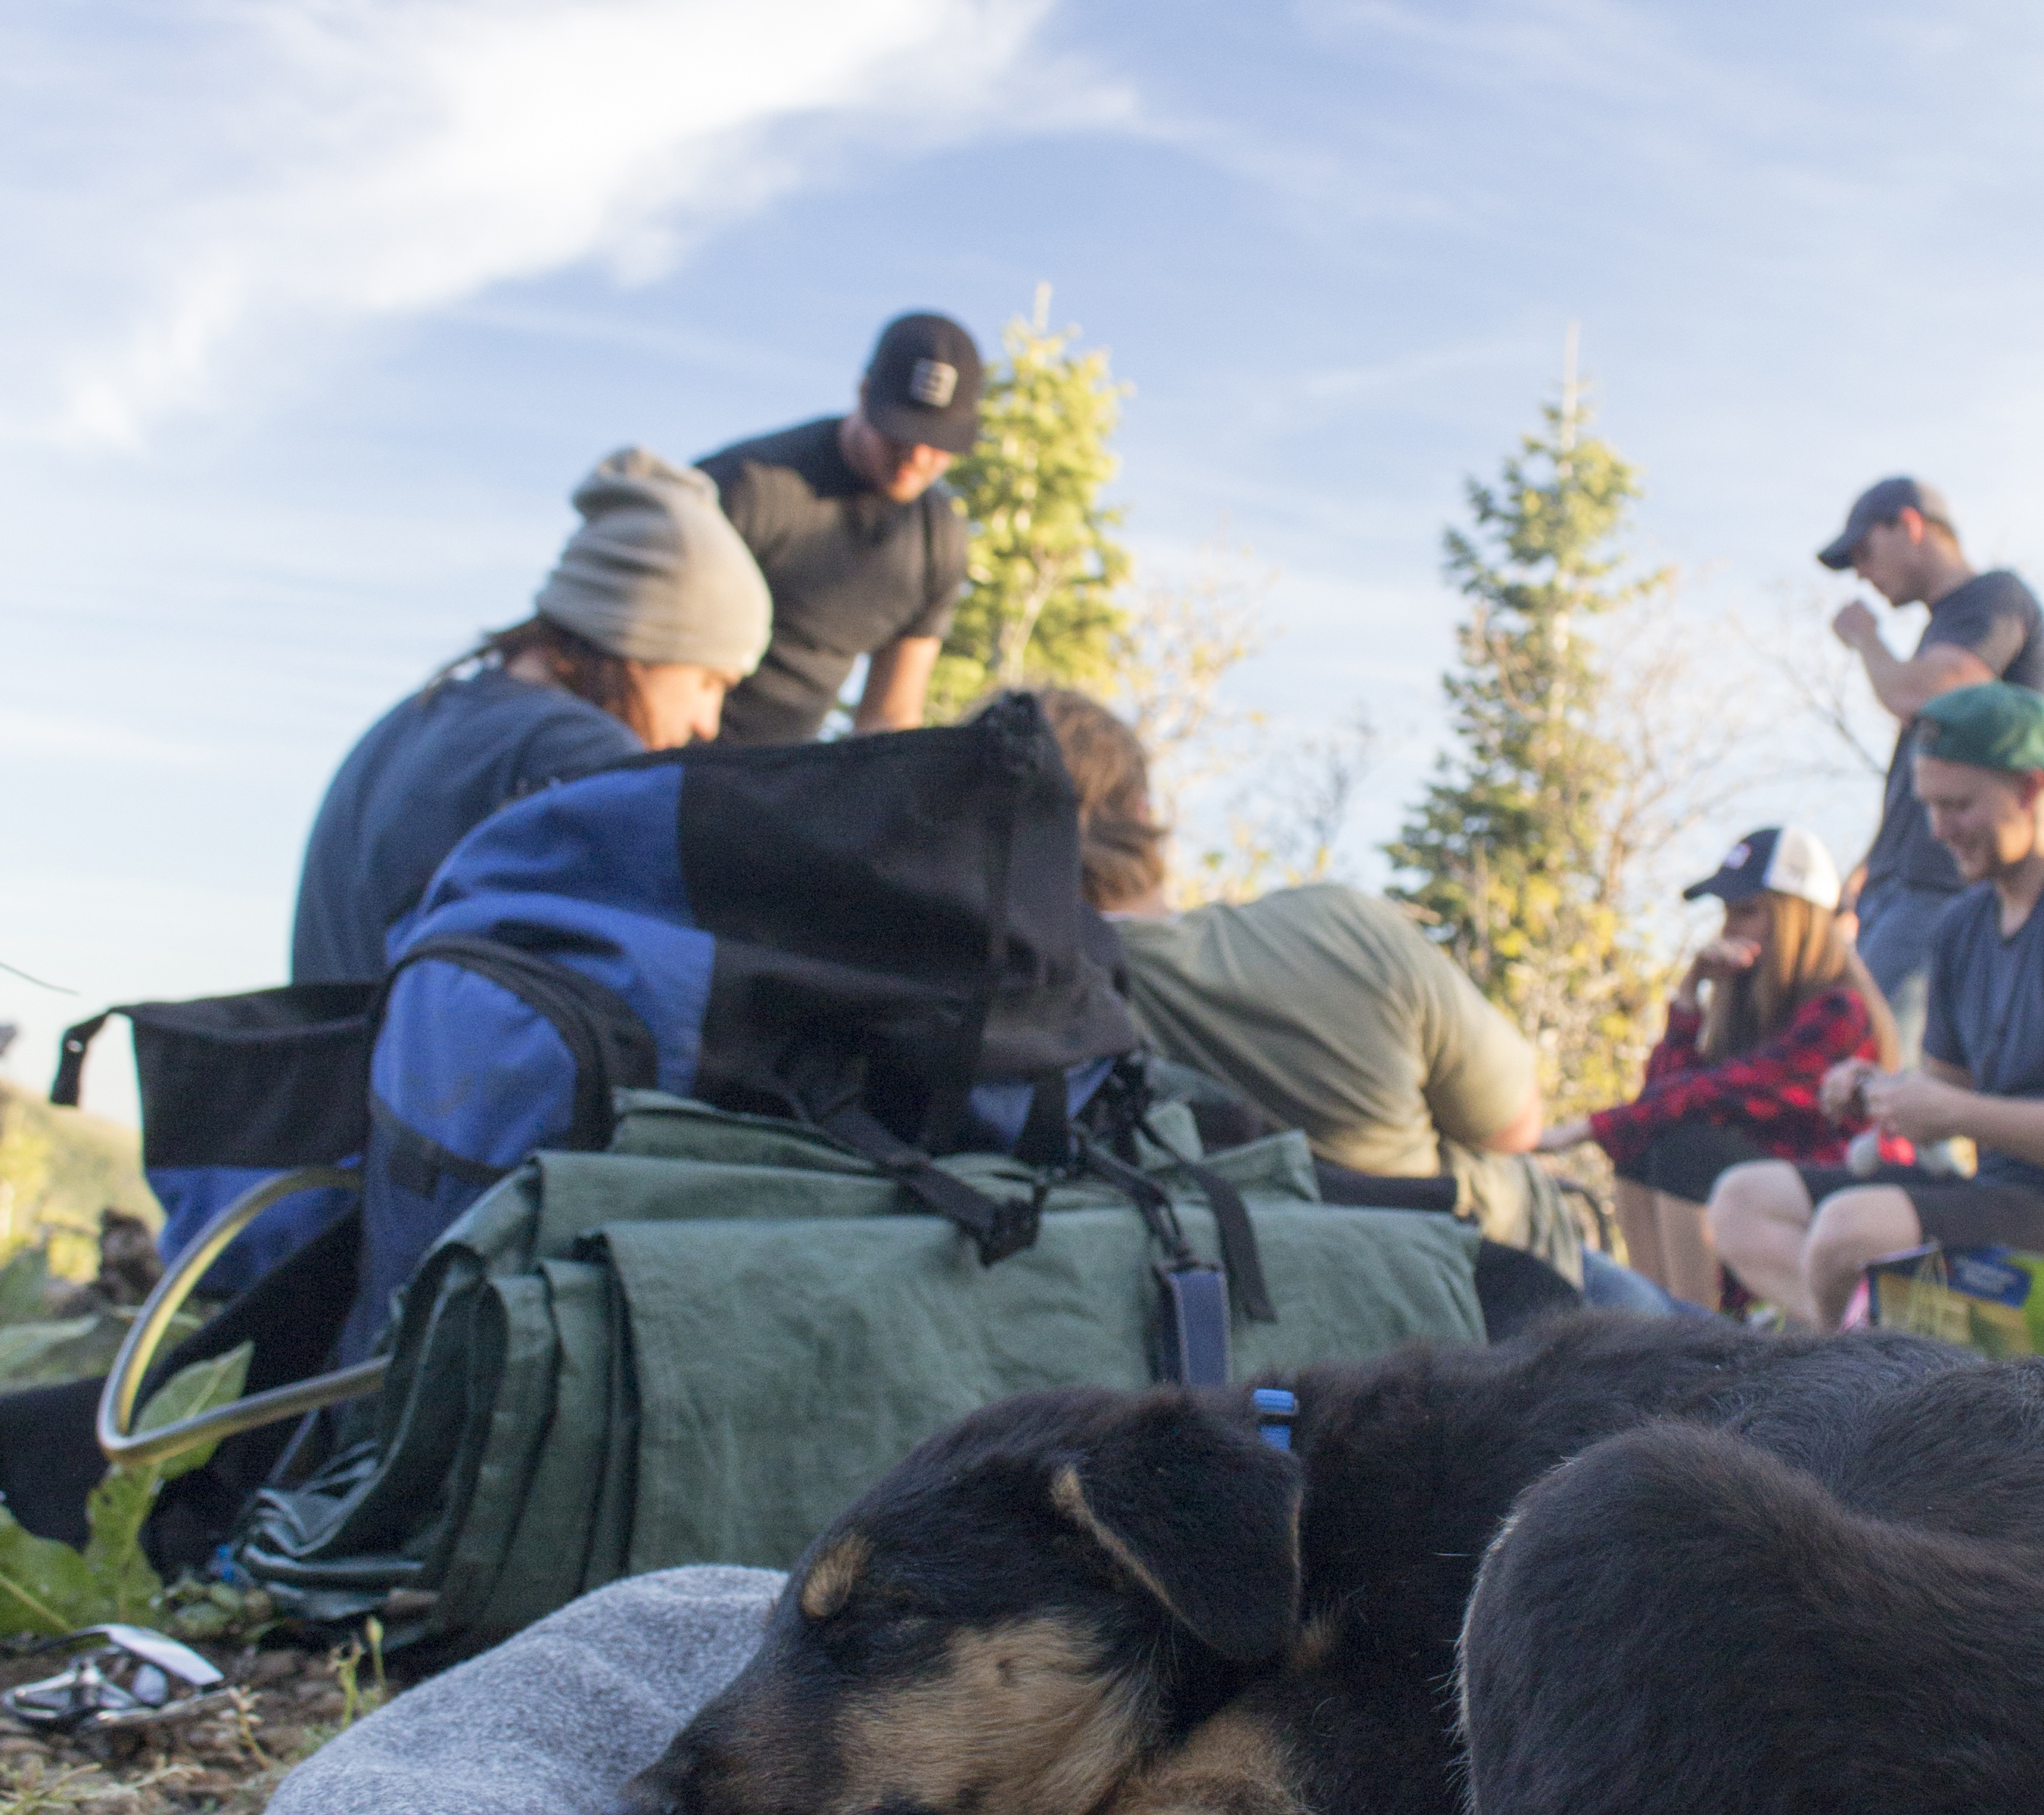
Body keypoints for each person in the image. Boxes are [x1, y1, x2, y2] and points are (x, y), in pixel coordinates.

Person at [1031, 688, 1668, 1305]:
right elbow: (1514, 1122)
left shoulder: (1003, 1012)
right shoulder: (1334, 929)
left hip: (1187, 1300)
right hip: (1478, 1287)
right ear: (1143, 813)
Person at [1706, 683, 2044, 1328]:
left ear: (2030, 789)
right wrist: (1880, 1091)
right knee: (1743, 1201)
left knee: (1847, 1233)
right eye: (1929, 808)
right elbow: (1944, 1100)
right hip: (2001, 1195)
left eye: (1960, 805)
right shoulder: (1961, 926)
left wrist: (1956, 1111)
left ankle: (1863, 1369)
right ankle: (1881, 1349)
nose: (1939, 830)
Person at [290, 449, 772, 982]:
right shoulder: (582, 749)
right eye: (710, 681)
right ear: (641, 636)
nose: (707, 722)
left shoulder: (407, 720)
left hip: (338, 1061)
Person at [1538, 825, 1903, 1307]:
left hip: (1837, 1196)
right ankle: (1655, 1328)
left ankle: (1698, 1335)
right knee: (1643, 1148)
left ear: (1797, 919)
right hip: (1761, 1186)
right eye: (1728, 912)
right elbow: (1662, 1098)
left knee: (1685, 1150)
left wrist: (1585, 1128)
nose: (1730, 927)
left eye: (1748, 911)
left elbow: (1725, 1090)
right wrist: (1690, 996)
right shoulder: (1746, 1004)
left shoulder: (1841, 1012)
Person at [1816, 474, 2044, 1055]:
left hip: (1937, 884)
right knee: (1872, 1080)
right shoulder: (1945, 624)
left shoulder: (1994, 600)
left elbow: (1916, 695)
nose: (1862, 575)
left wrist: (1866, 638)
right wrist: (1873, 865)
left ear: (1910, 526)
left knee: (1877, 1077)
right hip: (1899, 884)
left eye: (1864, 552)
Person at [698, 312, 982, 745]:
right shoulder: (752, 487)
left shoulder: (939, 542)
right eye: (900, 435)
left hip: (787, 777)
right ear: (865, 394)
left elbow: (890, 719)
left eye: (937, 441)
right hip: (676, 755)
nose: (918, 458)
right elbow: (645, 654)